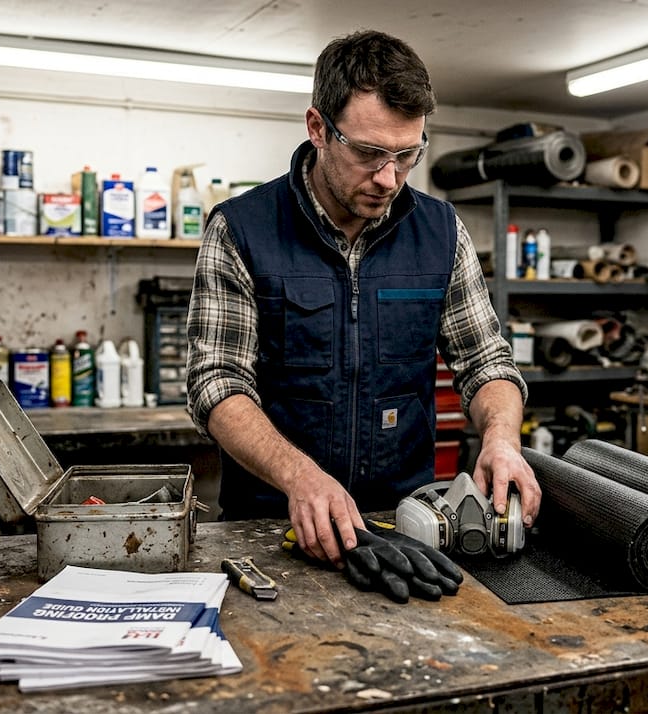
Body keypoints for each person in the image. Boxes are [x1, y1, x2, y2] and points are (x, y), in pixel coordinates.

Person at [186, 29, 540, 566]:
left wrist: (501, 438)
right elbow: (215, 382)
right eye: (371, 153)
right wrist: (300, 475)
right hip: (272, 525)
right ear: (318, 129)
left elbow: (486, 361)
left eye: (407, 155)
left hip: (408, 524)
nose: (389, 178)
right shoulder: (242, 229)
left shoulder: (441, 231)